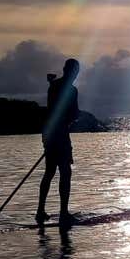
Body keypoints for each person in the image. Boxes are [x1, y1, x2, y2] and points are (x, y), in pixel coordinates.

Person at [37, 58, 80, 231]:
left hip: (51, 132)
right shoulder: (70, 89)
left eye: (76, 72)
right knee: (63, 172)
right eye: (74, 71)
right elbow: (71, 113)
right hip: (58, 134)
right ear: (67, 70)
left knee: (51, 172)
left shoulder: (55, 85)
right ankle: (62, 213)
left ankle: (41, 211)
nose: (75, 74)